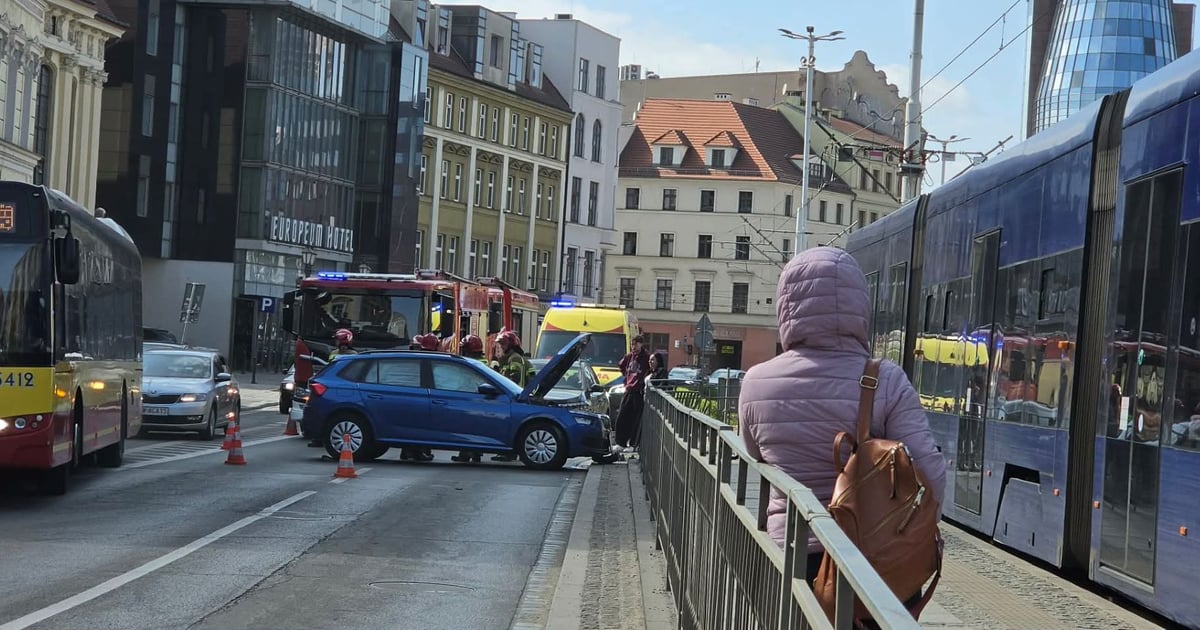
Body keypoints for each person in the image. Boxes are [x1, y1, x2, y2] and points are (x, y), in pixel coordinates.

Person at [737, 247, 945, 588]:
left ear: (786, 306)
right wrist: (918, 530)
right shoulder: (886, 380)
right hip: (868, 559)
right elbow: (929, 473)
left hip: (786, 553)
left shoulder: (755, 383)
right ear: (859, 307)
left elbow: (755, 454)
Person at [490, 330, 532, 462]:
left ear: (511, 345)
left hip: (514, 399)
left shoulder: (515, 359)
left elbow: (515, 380)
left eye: (503, 344)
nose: (501, 347)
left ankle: (509, 453)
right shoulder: (512, 359)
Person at [452, 334, 488, 463]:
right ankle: (476, 454)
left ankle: (465, 454)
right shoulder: (484, 362)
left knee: (466, 427)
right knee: (477, 428)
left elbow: (464, 382)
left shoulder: (470, 363)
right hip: (483, 399)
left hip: (470, 399)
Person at [613, 336, 650, 453]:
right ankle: (620, 443)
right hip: (629, 390)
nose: (634, 347)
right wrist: (627, 379)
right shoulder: (629, 356)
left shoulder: (646, 357)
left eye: (636, 344)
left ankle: (633, 444)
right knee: (622, 417)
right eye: (632, 344)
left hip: (639, 391)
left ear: (641, 344)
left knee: (636, 420)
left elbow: (651, 369)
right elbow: (621, 366)